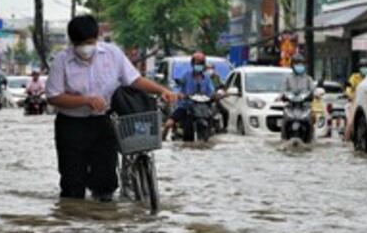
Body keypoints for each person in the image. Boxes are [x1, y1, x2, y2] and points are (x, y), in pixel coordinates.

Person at [45, 15, 177, 202]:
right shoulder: (61, 61)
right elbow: (53, 96)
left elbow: (134, 80)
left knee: (105, 181)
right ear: (72, 42)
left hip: (103, 121)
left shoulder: (112, 54)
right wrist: (85, 100)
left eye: (89, 42)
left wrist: (162, 90)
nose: (85, 48)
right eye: (79, 44)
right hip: (71, 125)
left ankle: (104, 220)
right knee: (72, 184)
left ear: (97, 36)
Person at [163, 52, 215, 140]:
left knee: (212, 118)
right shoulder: (186, 76)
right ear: (192, 64)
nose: (199, 66)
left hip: (202, 107)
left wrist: (215, 95)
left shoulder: (206, 78)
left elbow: (211, 91)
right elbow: (178, 88)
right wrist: (180, 94)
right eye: (197, 63)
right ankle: (162, 138)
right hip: (186, 106)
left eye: (201, 63)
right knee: (169, 123)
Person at [281, 53, 315, 140]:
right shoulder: (287, 79)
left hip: (305, 106)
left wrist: (311, 95)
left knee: (309, 120)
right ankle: (284, 138)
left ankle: (310, 138)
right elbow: (283, 91)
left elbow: (312, 91)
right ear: (292, 65)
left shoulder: (308, 79)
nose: (299, 66)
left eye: (301, 64)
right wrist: (283, 96)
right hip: (291, 106)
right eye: (297, 63)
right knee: (285, 120)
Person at [344, 58, 367, 141]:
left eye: (366, 67)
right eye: (362, 67)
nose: (364, 69)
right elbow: (348, 88)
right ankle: (346, 140)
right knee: (350, 123)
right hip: (354, 103)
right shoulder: (354, 77)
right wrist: (350, 96)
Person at [206, 63, 229, 132]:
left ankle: (225, 128)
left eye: (211, 69)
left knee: (225, 112)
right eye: (208, 69)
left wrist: (224, 92)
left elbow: (223, 86)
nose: (209, 70)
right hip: (204, 100)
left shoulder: (217, 77)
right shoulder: (203, 77)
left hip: (215, 99)